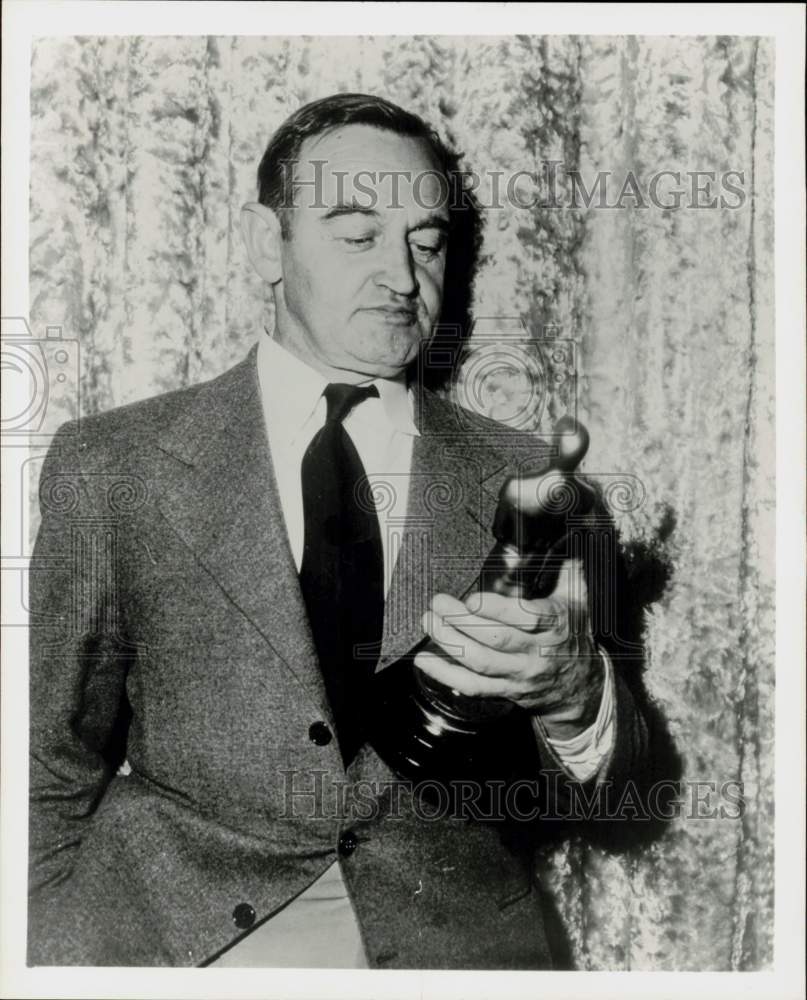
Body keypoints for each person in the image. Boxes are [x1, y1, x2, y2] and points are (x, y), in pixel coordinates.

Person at [27, 93, 656, 969]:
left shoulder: (543, 491)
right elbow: (41, 770)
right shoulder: (113, 465)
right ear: (264, 244)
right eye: (357, 236)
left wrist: (574, 696)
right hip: (172, 948)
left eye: (426, 243)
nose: (401, 278)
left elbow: (620, 802)